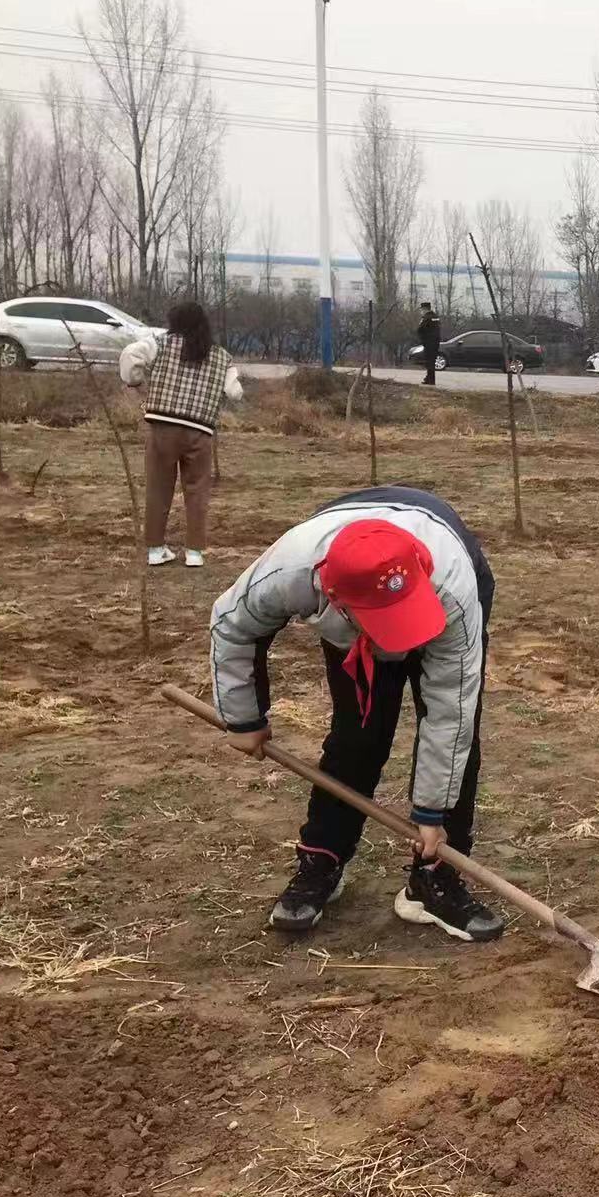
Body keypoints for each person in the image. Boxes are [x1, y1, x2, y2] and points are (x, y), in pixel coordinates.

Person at [209, 487, 505, 943]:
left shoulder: (453, 592)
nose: (400, 643)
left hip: (441, 588)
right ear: (332, 599)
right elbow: (232, 623)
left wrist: (432, 811)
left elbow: (452, 709)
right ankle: (322, 859)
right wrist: (244, 718)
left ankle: (435, 878)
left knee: (457, 738)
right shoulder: (291, 571)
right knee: (358, 732)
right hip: (352, 608)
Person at [120, 300, 243, 568]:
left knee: (158, 488)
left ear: (174, 322)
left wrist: (135, 381)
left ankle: (155, 549)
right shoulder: (222, 356)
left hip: (162, 428)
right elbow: (235, 392)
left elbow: (130, 354)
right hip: (200, 432)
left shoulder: (160, 344)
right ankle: (195, 553)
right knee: (197, 492)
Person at [418, 303, 442, 385]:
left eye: (421, 309)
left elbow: (420, 329)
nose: (421, 311)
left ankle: (430, 380)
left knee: (429, 362)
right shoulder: (435, 317)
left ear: (425, 309)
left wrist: (421, 338)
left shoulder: (426, 318)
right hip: (435, 342)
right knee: (432, 361)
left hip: (428, 342)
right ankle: (429, 378)